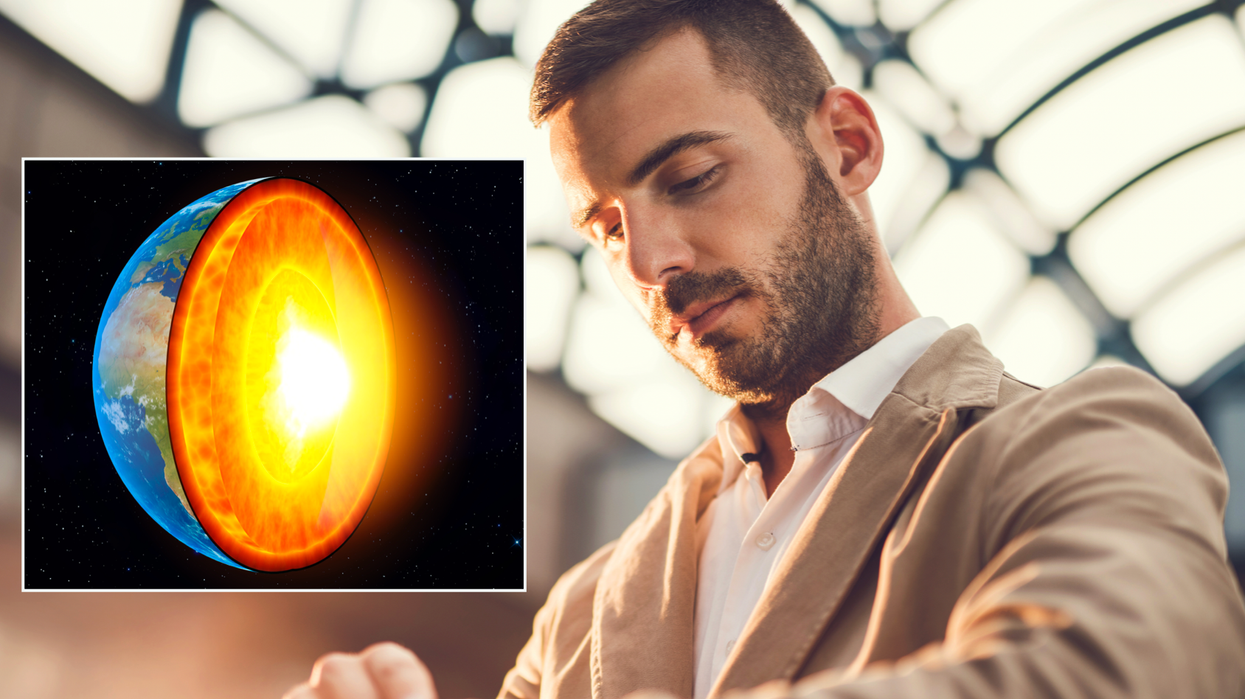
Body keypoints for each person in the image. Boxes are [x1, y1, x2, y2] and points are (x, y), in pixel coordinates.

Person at [283, 1, 1245, 697]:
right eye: (607, 230)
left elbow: (1111, 672)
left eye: (692, 176)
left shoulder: (1081, 439)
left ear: (850, 145)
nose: (653, 262)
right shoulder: (580, 615)